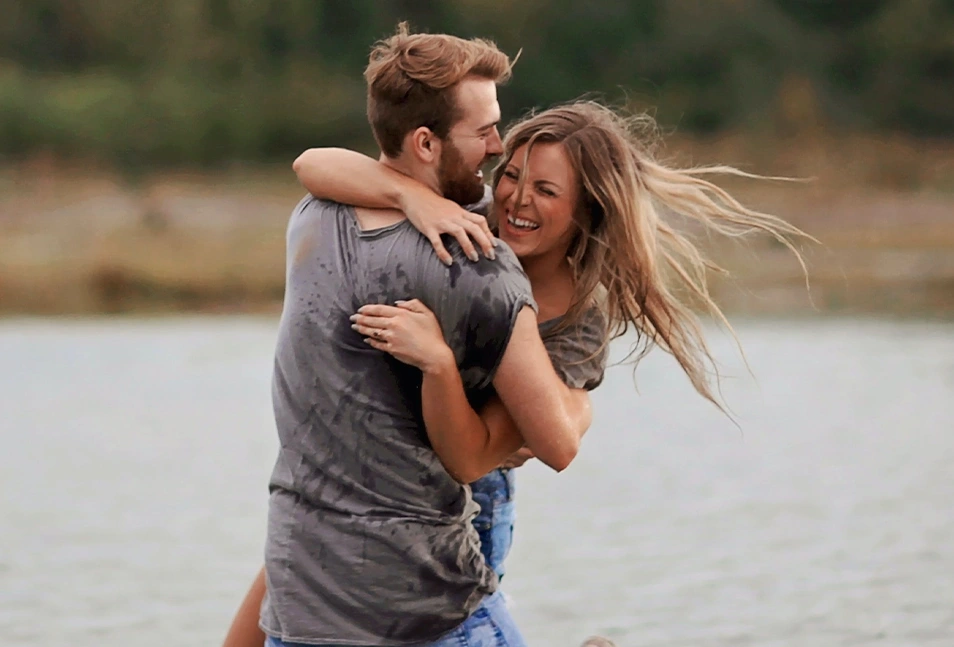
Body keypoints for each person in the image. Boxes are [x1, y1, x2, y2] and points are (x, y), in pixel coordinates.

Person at [225, 97, 811, 645]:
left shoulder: (574, 322)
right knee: (301, 547)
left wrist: (468, 374)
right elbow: (314, 163)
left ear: (587, 210)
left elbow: (511, 449)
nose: (515, 201)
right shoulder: (470, 218)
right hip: (382, 465)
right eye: (512, 176)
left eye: (546, 191)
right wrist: (413, 198)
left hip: (470, 494)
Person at [249, 23, 596, 647]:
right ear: (427, 142)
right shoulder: (480, 264)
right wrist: (576, 407)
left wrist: (406, 193)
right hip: (424, 600)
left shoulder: (310, 218)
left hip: (305, 591)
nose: (496, 147)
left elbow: (311, 163)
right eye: (486, 132)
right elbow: (557, 444)